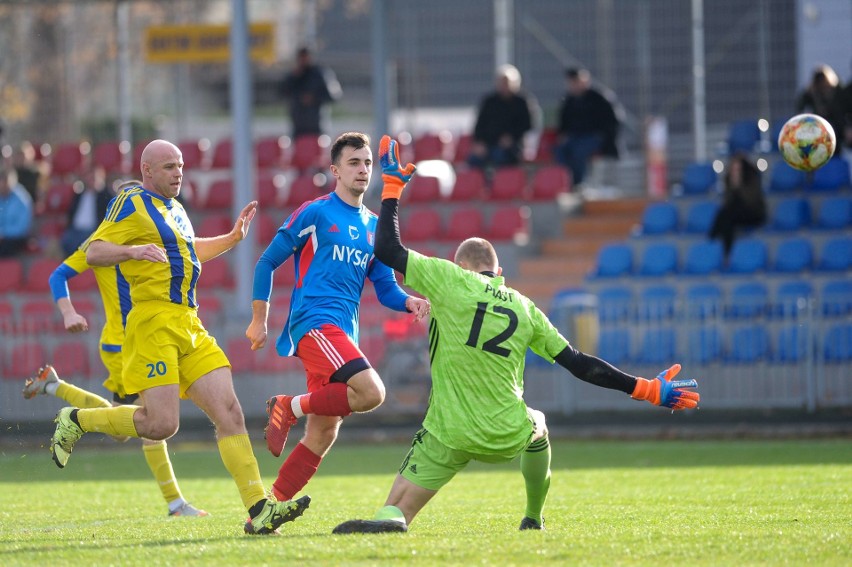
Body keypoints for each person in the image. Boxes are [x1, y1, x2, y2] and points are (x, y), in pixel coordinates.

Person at [331, 135, 700, 534]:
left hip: (448, 430)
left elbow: (386, 249)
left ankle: (393, 518)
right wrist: (645, 388)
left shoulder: (449, 280)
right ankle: (533, 516)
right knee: (538, 424)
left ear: (462, 266)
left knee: (397, 507)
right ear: (499, 273)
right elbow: (579, 365)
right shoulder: (524, 306)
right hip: (506, 429)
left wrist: (392, 187)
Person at [48, 140, 310, 535]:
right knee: (161, 425)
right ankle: (77, 419)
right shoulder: (130, 201)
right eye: (169, 166)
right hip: (153, 321)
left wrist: (232, 238)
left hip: (190, 322)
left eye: (181, 166)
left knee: (231, 413)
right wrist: (134, 252)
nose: (178, 173)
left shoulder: (177, 209)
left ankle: (259, 509)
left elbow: (188, 252)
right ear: (147, 170)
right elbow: (96, 251)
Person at [245, 131, 430, 509]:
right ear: (335, 171)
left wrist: (408, 301)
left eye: (367, 163)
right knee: (373, 392)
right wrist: (258, 319)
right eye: (354, 163)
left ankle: (268, 508)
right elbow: (267, 261)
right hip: (314, 321)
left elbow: (385, 288)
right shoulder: (316, 211)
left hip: (343, 332)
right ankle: (289, 405)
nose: (363, 170)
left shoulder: (374, 226)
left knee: (325, 431)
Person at [25, 179, 206, 518]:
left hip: (148, 337)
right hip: (123, 344)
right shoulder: (101, 244)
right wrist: (68, 312)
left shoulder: (159, 238)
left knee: (131, 425)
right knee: (153, 421)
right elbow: (57, 276)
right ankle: (176, 503)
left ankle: (56, 389)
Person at [554, 67, 621, 186]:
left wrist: (604, 135)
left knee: (579, 151)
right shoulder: (569, 101)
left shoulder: (599, 98)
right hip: (574, 137)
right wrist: (563, 134)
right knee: (560, 150)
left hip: (595, 137)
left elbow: (613, 121)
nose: (574, 85)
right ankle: (564, 183)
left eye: (576, 81)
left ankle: (579, 183)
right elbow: (563, 124)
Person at [467, 64, 536, 169]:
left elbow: (527, 125)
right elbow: (480, 124)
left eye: (506, 83)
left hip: (512, 146)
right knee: (473, 160)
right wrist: (479, 142)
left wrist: (511, 138)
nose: (504, 86)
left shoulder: (521, 102)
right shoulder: (489, 102)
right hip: (488, 143)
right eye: (501, 82)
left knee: (500, 157)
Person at [708, 153, 766, 260]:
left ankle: (713, 241)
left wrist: (738, 187)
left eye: (738, 169)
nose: (735, 172)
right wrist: (733, 186)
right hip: (735, 215)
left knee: (727, 215)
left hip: (753, 212)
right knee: (726, 217)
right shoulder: (729, 182)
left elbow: (751, 201)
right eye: (734, 169)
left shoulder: (752, 182)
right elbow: (728, 202)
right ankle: (715, 245)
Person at [280, 46, 342, 138]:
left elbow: (335, 95)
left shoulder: (321, 74)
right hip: (298, 126)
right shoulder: (294, 76)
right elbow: (282, 93)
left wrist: (314, 98)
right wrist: (293, 78)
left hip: (317, 125)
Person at [61, 166, 115, 256]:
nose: (91, 181)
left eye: (94, 178)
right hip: (74, 230)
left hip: (92, 231)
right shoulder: (79, 195)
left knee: (81, 244)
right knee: (66, 241)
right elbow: (70, 212)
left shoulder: (105, 197)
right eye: (89, 178)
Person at [795, 64, 844, 139]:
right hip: (817, 124)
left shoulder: (838, 91)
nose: (822, 85)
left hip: (837, 125)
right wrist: (810, 92)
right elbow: (800, 107)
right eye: (819, 82)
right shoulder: (811, 94)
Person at [0, 165, 33, 257]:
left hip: (16, 237)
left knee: (5, 248)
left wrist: (3, 234)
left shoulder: (22, 198)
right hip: (3, 236)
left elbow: (22, 228)